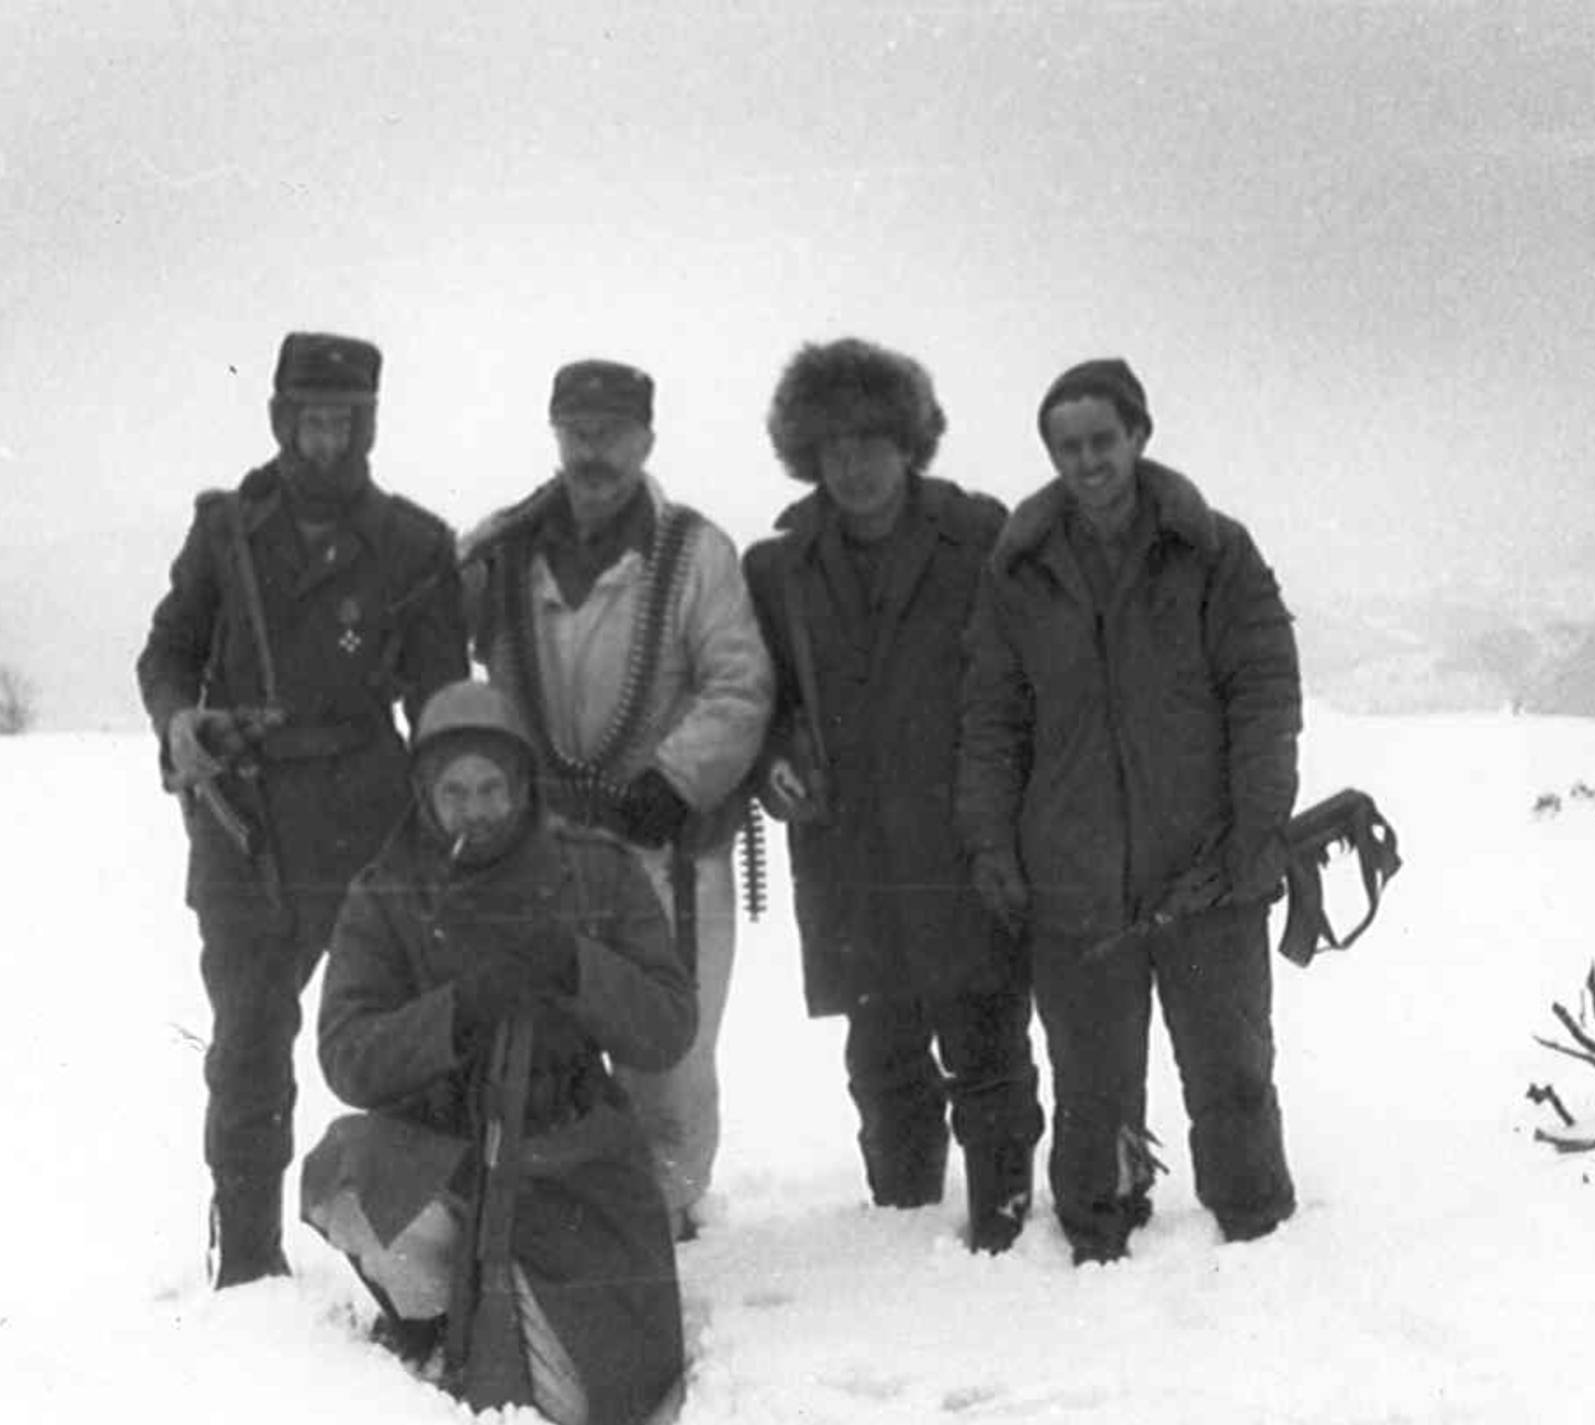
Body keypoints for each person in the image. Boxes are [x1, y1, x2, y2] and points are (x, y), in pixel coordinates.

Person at [136, 331, 468, 1289]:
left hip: (371, 819)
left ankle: (429, 1257)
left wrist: (451, 817)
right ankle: (246, 1266)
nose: (325, 442)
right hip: (244, 827)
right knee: (247, 1037)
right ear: (282, 419)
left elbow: (442, 700)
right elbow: (165, 654)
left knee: (405, 1037)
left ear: (367, 425)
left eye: (343, 422)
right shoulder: (224, 533)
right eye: (309, 420)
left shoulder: (412, 545)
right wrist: (180, 723)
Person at [956, 357, 1303, 1264]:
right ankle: (1101, 1229)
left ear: (1140, 436)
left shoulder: (1215, 550)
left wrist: (1254, 827)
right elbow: (991, 718)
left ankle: (1254, 1224)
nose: (1087, 461)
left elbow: (1264, 694)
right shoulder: (1019, 569)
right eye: (1067, 446)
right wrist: (992, 842)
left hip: (1208, 870)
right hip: (1073, 876)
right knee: (1092, 1082)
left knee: (1230, 1064)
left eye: (1102, 440)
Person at [303, 679, 694, 1425]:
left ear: (521, 785)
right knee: (341, 1174)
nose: (475, 810)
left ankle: (508, 1299)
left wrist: (576, 964)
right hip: (444, 1152)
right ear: (424, 791)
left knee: (586, 1402)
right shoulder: (386, 892)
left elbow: (670, 1022)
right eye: (455, 792)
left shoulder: (596, 871)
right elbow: (345, 1053)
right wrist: (455, 1015)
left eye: (492, 788)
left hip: (573, 1161)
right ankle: (429, 1310)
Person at [742, 338, 1045, 1251]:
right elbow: (762, 696)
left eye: (872, 440)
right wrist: (775, 761)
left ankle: (1002, 1220)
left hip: (962, 837)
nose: (854, 464)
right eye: (832, 446)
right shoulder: (778, 567)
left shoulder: (981, 536)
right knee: (880, 1053)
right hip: (847, 848)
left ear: (910, 442)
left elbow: (1031, 679)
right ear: (807, 454)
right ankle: (900, 1229)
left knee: (987, 1039)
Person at [460, 357, 773, 1240]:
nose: (594, 451)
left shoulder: (695, 551)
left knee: (669, 1047)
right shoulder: (498, 550)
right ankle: (557, 1210)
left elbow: (738, 681)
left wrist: (675, 778)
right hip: (540, 844)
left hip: (665, 846)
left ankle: (665, 1216)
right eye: (578, 431)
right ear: (554, 433)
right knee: (539, 1033)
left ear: (647, 438)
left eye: (613, 432)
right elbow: (431, 643)